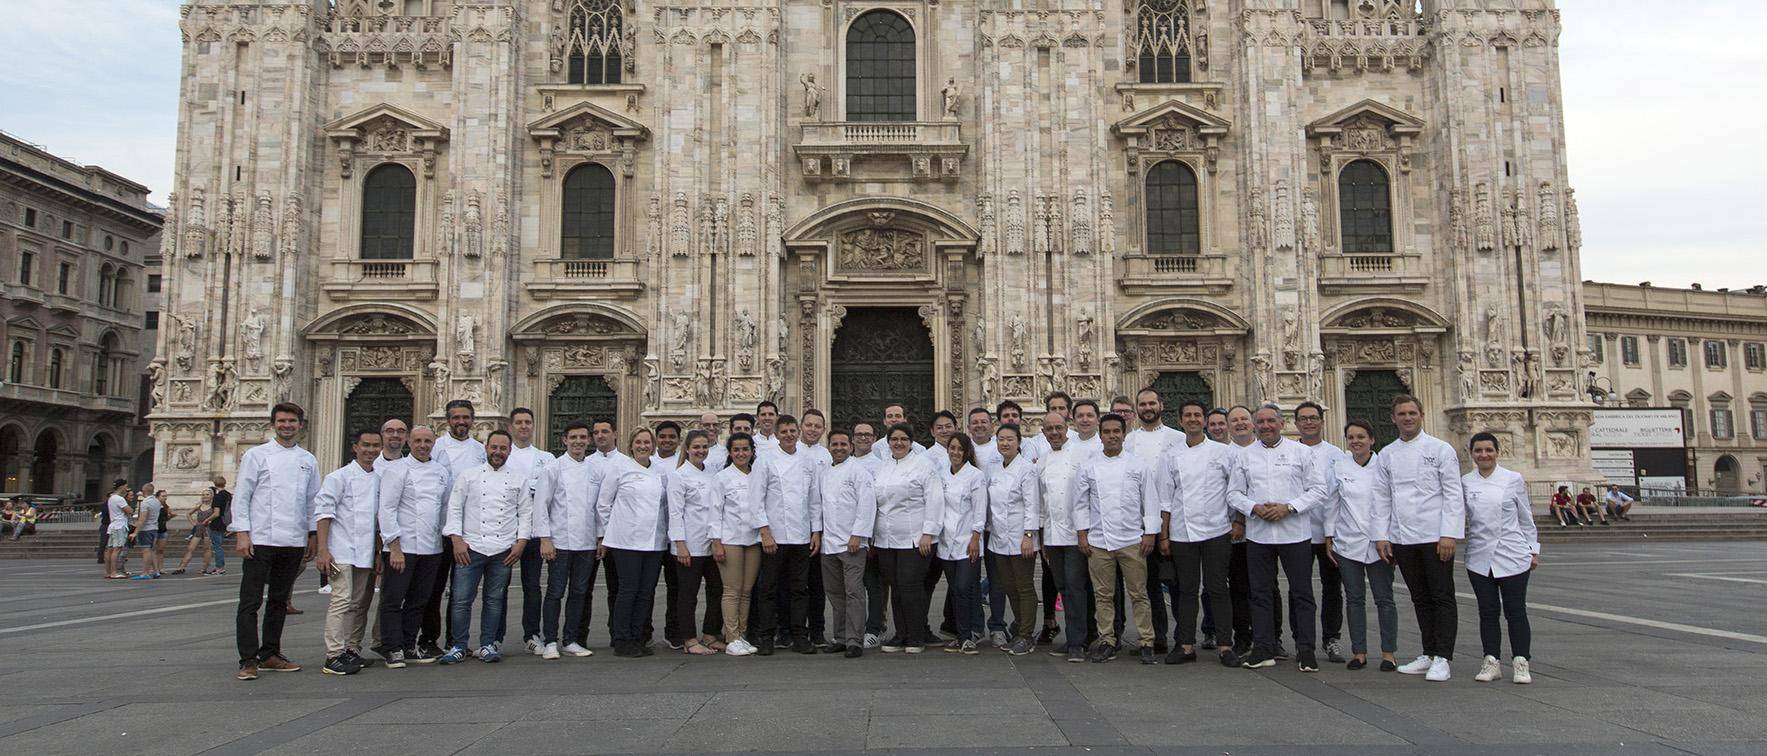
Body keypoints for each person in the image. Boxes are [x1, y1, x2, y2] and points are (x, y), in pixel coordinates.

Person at [1228, 404, 1327, 673]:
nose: (1266, 426)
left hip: (1295, 533)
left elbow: (1319, 490)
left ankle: (1306, 650)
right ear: (1254, 426)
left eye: (1271, 421)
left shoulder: (1301, 452)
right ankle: (1263, 647)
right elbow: (1234, 493)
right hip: (1259, 534)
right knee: (1259, 593)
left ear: (1282, 423)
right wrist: (1254, 508)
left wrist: (1289, 507)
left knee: (1302, 593)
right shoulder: (1245, 456)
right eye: (1260, 422)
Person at [1374, 394, 1465, 683]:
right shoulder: (1387, 454)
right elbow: (1382, 497)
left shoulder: (1440, 449)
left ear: (1421, 415)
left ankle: (1443, 656)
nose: (1407, 418)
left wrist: (1449, 532)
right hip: (1403, 536)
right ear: (1393, 418)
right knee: (1420, 597)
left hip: (1435, 535)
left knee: (1441, 595)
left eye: (1412, 413)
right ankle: (1428, 652)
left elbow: (1452, 492)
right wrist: (1382, 535)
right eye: (1402, 414)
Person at [230, 403, 323, 680]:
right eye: (282, 421)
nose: (287, 425)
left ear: (301, 425)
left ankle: (270, 653)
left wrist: (312, 534)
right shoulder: (256, 455)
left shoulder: (308, 459)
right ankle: (248, 659)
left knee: (279, 601)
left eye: (292, 421)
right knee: (250, 601)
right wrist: (242, 533)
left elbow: (311, 501)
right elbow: (242, 495)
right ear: (273, 424)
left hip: (293, 540)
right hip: (260, 538)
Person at [1152, 399, 1241, 667]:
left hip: (1217, 529)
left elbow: (1234, 491)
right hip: (1182, 532)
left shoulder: (1223, 452)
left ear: (1205, 420)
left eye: (1197, 415)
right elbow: (1165, 498)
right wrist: (1164, 535)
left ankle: (1226, 645)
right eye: (1187, 415)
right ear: (1179, 421)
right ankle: (1186, 644)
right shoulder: (1170, 455)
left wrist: (1238, 522)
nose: (1192, 419)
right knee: (1186, 591)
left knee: (1218, 589)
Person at [440, 429, 532, 665]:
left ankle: (488, 644)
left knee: (494, 599)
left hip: (503, 549)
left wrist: (520, 543)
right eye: (494, 447)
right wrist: (456, 540)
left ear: (509, 451)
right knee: (461, 599)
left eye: (503, 448)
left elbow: (525, 513)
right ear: (486, 448)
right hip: (471, 546)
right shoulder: (468, 476)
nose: (498, 452)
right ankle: (458, 645)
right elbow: (455, 508)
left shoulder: (518, 479)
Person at [1076, 413, 1160, 664]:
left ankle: (1146, 640)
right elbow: (1080, 503)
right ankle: (1107, 639)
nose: (1112, 436)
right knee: (1103, 595)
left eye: (1116, 432)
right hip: (1100, 541)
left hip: (1132, 539)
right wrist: (1082, 534)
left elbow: (1150, 501)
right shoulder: (1088, 466)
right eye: (1107, 432)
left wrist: (1150, 533)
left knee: (1139, 593)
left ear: (1124, 434)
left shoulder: (1138, 465)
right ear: (1100, 435)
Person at [1464, 432, 1539, 685]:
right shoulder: (1465, 482)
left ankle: (1521, 661)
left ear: (1497, 452)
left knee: (1516, 611)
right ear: (1471, 454)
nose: (1483, 455)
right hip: (1479, 556)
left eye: (1488, 450)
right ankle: (1491, 660)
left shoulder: (1512, 479)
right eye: (1478, 451)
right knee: (1487, 611)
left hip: (1513, 553)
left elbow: (1525, 516)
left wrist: (1533, 549)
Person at [1322, 420, 1397, 672]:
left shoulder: (1384, 465)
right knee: (1354, 599)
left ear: (1372, 440)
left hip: (1379, 541)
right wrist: (1329, 535)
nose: (1356, 441)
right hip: (1348, 540)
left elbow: (1391, 502)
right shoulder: (1339, 466)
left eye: (1361, 437)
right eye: (1351, 437)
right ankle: (1359, 652)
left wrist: (1386, 536)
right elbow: (1332, 502)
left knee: (1384, 599)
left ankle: (1388, 654)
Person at [376, 425, 453, 667]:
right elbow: (386, 509)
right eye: (418, 440)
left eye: (427, 441)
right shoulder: (396, 470)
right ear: (409, 442)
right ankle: (392, 647)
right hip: (403, 546)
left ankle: (409, 644)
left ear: (434, 443)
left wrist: (443, 538)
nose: (422, 445)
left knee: (420, 599)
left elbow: (443, 508)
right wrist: (394, 547)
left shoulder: (441, 471)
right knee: (393, 599)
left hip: (431, 547)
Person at [747, 415, 823, 655]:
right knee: (769, 588)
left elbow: (814, 499)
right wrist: (765, 532)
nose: (789, 435)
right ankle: (767, 635)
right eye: (784, 432)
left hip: (801, 536)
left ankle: (800, 635)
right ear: (777, 435)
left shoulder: (807, 460)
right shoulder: (765, 461)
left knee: (800, 588)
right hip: (775, 536)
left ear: (798, 432)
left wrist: (816, 531)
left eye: (792, 431)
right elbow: (756, 498)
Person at [315, 428, 384, 676]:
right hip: (341, 551)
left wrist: (378, 552)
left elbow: (378, 521)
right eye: (366, 445)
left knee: (361, 604)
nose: (371, 450)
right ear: (355, 447)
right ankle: (333, 655)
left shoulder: (379, 479)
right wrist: (323, 550)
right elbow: (324, 513)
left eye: (376, 446)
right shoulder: (338, 477)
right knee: (341, 602)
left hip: (365, 552)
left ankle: (352, 649)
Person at [597, 428, 669, 658]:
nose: (643, 446)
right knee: (628, 590)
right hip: (625, 540)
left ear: (653, 445)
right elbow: (604, 504)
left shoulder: (659, 471)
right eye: (638, 442)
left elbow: (665, 506)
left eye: (647, 442)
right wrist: (607, 535)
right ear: (631, 445)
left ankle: (639, 636)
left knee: (646, 591)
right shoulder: (619, 468)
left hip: (654, 541)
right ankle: (621, 638)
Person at [872, 423, 944, 654]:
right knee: (896, 587)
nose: (899, 443)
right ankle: (900, 633)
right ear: (888, 441)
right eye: (894, 439)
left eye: (903, 439)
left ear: (911, 442)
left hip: (915, 538)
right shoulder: (883, 466)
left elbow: (934, 499)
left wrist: (928, 533)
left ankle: (916, 635)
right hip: (886, 538)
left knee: (911, 585)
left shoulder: (923, 465)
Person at [532, 421, 600, 660]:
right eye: (574, 437)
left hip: (586, 542)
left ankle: (571, 639)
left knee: (580, 591)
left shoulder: (594, 470)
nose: (578, 442)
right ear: (565, 440)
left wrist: (600, 538)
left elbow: (597, 508)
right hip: (560, 540)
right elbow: (541, 505)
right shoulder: (553, 468)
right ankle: (550, 639)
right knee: (555, 591)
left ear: (588, 441)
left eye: (582, 437)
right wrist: (545, 539)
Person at [1125, 388, 1181, 653]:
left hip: (1173, 523)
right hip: (1140, 523)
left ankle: (1184, 635)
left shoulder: (1178, 439)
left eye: (1151, 403)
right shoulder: (1129, 440)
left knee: (1177, 583)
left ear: (1161, 405)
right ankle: (1157, 636)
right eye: (1142, 404)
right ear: (1136, 408)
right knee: (1147, 586)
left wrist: (1165, 530)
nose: (1147, 408)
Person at [1037, 412, 1093, 662]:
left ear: (1067, 428)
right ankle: (1075, 637)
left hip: (1076, 534)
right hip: (1052, 535)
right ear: (1043, 432)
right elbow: (1042, 501)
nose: (1054, 432)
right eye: (1049, 429)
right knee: (1063, 587)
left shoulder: (1081, 456)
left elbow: (1086, 496)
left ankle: (1078, 642)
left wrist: (1085, 532)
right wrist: (1041, 537)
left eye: (1058, 427)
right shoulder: (1042, 461)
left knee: (1075, 587)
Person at [1294, 401, 1347, 664]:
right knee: (1298, 588)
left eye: (1313, 418)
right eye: (1303, 419)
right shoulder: (1289, 451)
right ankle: (1300, 639)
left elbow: (1338, 495)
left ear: (1322, 421)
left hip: (1329, 532)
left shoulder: (1337, 454)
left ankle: (1331, 638)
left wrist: (1332, 531)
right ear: (1296, 424)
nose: (1309, 423)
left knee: (1332, 588)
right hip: (1297, 530)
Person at [818, 429, 876, 658]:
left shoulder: (859, 471)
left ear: (850, 447)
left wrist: (858, 535)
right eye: (835, 444)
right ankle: (840, 637)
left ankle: (854, 640)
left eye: (843, 444)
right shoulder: (825, 473)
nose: (839, 448)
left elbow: (867, 505)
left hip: (852, 543)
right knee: (835, 593)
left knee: (854, 592)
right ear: (829, 446)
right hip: (829, 543)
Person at [668, 430, 727, 656]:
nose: (701, 451)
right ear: (687, 449)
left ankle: (711, 634)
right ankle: (690, 639)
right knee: (688, 593)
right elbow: (675, 512)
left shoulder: (712, 473)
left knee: (717, 589)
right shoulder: (679, 475)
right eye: (696, 447)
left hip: (711, 542)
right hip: (689, 544)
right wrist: (680, 543)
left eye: (704, 447)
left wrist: (717, 539)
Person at [503, 408, 556, 656]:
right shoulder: (502, 456)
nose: (523, 426)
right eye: (519, 422)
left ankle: (532, 634)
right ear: (511, 426)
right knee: (498, 587)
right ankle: (493, 636)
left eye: (527, 422)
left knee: (532, 585)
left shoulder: (546, 458)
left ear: (534, 425)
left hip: (535, 533)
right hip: (505, 531)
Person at [987, 424, 1043, 656]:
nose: (1005, 443)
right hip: (1000, 538)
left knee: (1024, 586)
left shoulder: (1026, 469)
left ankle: (1027, 635)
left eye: (1010, 439)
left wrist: (1029, 535)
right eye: (1001, 439)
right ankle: (1020, 629)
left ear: (1019, 442)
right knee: (1009, 586)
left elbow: (1032, 503)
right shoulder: (995, 470)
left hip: (1022, 538)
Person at [712, 432, 762, 656]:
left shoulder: (758, 475)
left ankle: (741, 634)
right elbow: (715, 512)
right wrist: (716, 542)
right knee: (731, 590)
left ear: (752, 451)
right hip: (730, 539)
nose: (741, 453)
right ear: (730, 453)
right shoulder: (722, 478)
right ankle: (731, 637)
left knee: (747, 591)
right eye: (736, 450)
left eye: (745, 449)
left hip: (753, 539)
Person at [936, 434, 986, 654]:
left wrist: (976, 537)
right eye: (952, 448)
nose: (955, 453)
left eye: (960, 449)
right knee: (955, 589)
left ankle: (968, 636)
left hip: (968, 541)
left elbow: (979, 509)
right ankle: (960, 634)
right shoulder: (941, 475)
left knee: (965, 587)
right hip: (946, 541)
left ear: (967, 452)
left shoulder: (975, 476)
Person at [171, 488, 221, 575]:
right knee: (190, 548)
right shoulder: (199, 505)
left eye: (207, 494)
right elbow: (188, 514)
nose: (205, 496)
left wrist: (210, 521)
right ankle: (181, 567)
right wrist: (193, 523)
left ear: (211, 496)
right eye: (203, 494)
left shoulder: (213, 506)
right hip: (199, 528)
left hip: (208, 529)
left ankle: (204, 568)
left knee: (207, 549)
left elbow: (216, 515)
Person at [130, 483, 164, 580]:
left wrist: (135, 532)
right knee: (152, 550)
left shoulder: (145, 503)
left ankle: (145, 572)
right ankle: (156, 570)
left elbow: (142, 519)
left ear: (143, 491)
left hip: (146, 529)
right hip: (154, 528)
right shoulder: (157, 502)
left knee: (146, 550)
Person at [103, 480, 134, 580]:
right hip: (120, 525)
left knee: (109, 549)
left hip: (113, 525)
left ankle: (108, 572)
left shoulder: (111, 498)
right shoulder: (119, 499)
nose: (127, 488)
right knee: (117, 549)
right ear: (121, 487)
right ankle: (114, 572)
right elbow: (129, 510)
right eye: (126, 486)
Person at [209, 476, 231, 573]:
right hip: (225, 521)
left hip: (217, 523)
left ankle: (219, 567)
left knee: (217, 546)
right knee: (219, 545)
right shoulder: (228, 495)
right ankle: (220, 566)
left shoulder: (218, 496)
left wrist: (207, 520)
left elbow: (216, 513)